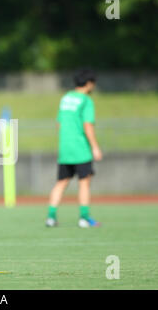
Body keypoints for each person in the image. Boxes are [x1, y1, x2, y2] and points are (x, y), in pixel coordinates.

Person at [45, 68, 103, 228]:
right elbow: (87, 125)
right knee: (84, 182)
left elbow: (59, 123)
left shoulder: (65, 98)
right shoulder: (86, 100)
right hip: (81, 149)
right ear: (89, 83)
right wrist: (95, 147)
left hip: (65, 149)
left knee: (61, 182)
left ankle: (51, 217)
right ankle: (84, 218)